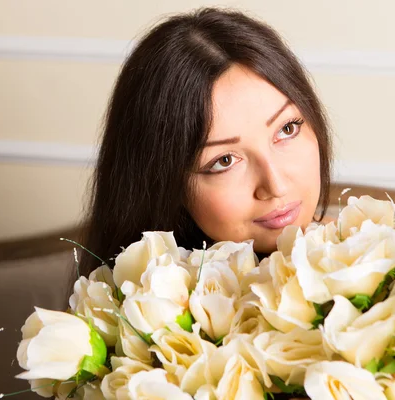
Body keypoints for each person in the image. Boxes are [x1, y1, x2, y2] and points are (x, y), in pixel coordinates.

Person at [77, 7, 333, 279]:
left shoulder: (373, 257)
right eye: (225, 161)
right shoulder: (128, 311)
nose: (276, 186)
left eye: (287, 129)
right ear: (165, 186)